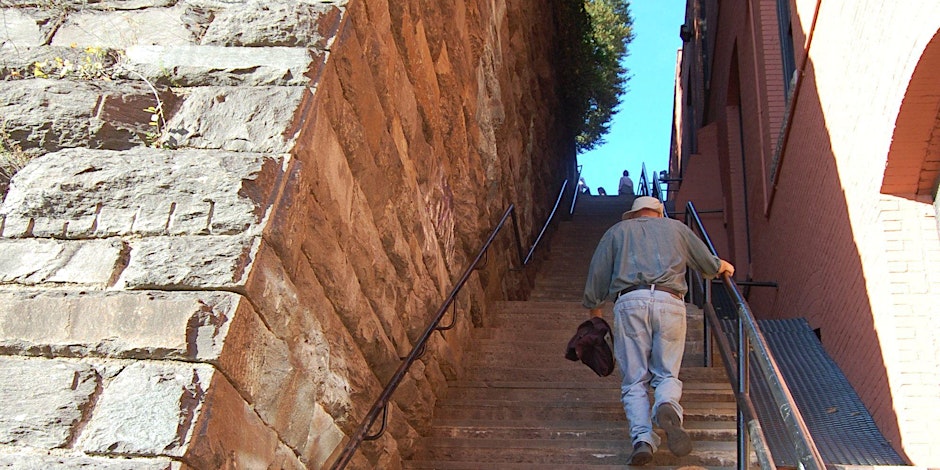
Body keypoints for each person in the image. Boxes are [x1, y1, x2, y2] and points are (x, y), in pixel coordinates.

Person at [582, 196, 734, 466]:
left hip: (630, 301)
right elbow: (707, 264)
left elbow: (598, 273)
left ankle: (642, 439)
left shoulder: (617, 232)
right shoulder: (676, 228)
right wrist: (721, 266)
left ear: (633, 214)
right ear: (659, 213)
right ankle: (666, 405)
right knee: (667, 372)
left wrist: (595, 311)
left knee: (634, 379)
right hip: (669, 300)